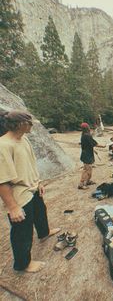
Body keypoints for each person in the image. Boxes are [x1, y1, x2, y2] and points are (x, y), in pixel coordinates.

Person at [0, 110, 60, 273]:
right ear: (20, 125)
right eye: (29, 123)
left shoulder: (24, 139)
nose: (32, 126)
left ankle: (44, 233)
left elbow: (31, 164)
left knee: (41, 213)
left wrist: (38, 181)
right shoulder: (3, 145)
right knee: (22, 231)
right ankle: (23, 264)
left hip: (32, 187)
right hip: (19, 194)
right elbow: (2, 181)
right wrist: (13, 207)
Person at [78, 122, 106, 189]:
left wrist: (94, 150)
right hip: (87, 156)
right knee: (86, 170)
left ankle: (87, 181)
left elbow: (88, 145)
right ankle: (81, 184)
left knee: (89, 169)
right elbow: (94, 144)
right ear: (87, 128)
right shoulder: (87, 136)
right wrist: (103, 146)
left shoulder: (83, 135)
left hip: (86, 154)